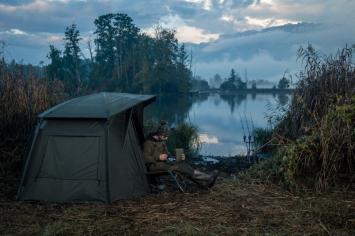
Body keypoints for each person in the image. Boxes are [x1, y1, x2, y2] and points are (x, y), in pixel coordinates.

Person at [143, 121, 218, 188]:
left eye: (167, 136)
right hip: (154, 166)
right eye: (165, 136)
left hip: (163, 163)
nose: (166, 138)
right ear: (159, 133)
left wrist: (176, 156)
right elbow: (145, 158)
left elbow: (167, 153)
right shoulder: (149, 142)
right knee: (181, 168)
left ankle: (204, 182)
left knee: (185, 166)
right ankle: (208, 178)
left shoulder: (161, 141)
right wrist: (158, 157)